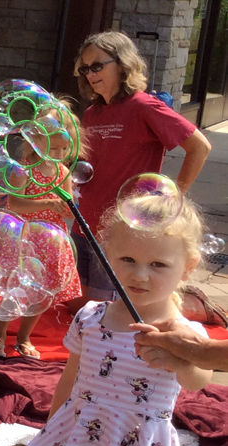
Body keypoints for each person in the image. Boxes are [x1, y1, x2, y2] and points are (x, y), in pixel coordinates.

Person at [25, 195, 213, 446]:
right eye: (127, 259)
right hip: (78, 445)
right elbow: (70, 380)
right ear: (108, 255)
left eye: (158, 264)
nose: (139, 274)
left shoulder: (182, 332)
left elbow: (198, 380)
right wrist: (51, 441)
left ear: (187, 268)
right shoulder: (90, 318)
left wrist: (182, 361)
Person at [67, 31, 211, 312]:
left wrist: (173, 198)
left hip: (122, 227)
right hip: (83, 222)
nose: (90, 74)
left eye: (98, 65)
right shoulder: (91, 114)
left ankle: (194, 308)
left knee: (110, 308)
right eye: (85, 68)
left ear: (122, 65)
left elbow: (200, 147)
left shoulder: (143, 106)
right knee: (79, 306)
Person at [0, 102, 85, 359]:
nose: (60, 153)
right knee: (13, 288)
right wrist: (50, 203)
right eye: (54, 147)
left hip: (50, 241)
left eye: (65, 148)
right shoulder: (24, 168)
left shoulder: (63, 171)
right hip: (22, 238)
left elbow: (68, 202)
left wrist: (67, 207)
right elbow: (15, 203)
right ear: (35, 142)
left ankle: (23, 338)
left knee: (41, 293)